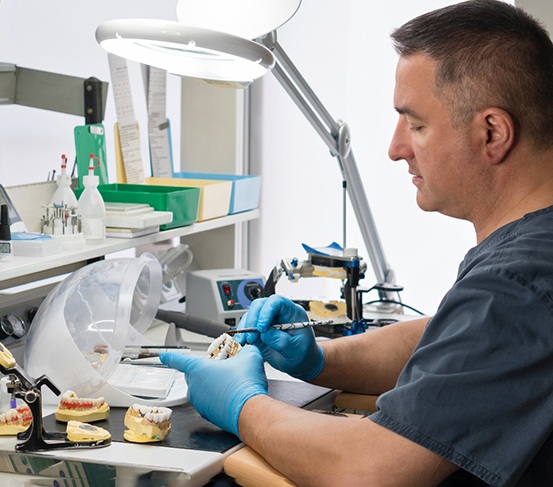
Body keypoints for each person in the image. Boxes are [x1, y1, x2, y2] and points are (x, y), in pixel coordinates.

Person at [161, 1, 553, 485]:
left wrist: (243, 405)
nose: (395, 148)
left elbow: (368, 470)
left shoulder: (517, 282)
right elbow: (455, 343)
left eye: (416, 124)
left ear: (492, 132)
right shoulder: (530, 258)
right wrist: (320, 359)